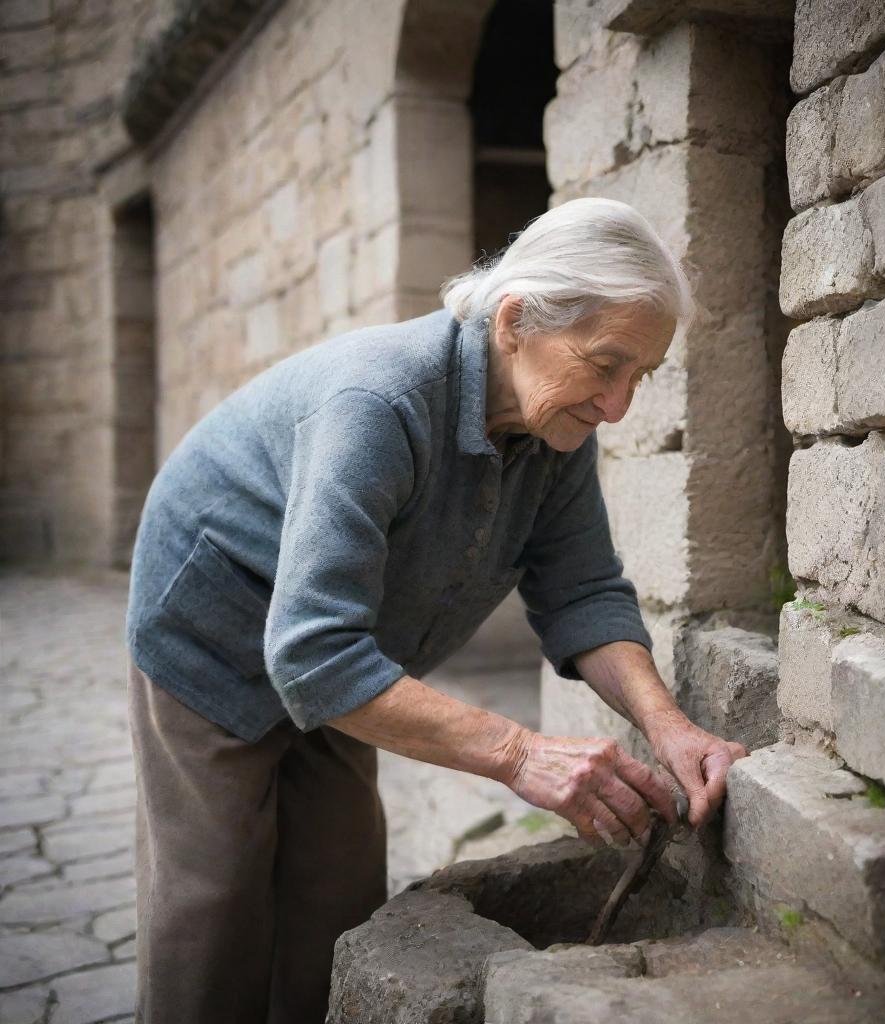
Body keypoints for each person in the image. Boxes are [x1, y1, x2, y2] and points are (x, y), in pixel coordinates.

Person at [125, 197, 748, 1023]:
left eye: (642, 375)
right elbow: (312, 656)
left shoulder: (554, 428)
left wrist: (669, 725)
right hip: (212, 634)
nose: (619, 406)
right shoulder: (379, 404)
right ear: (517, 319)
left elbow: (584, 592)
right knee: (218, 899)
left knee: (338, 895)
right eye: (606, 365)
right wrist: (520, 753)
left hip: (345, 655)